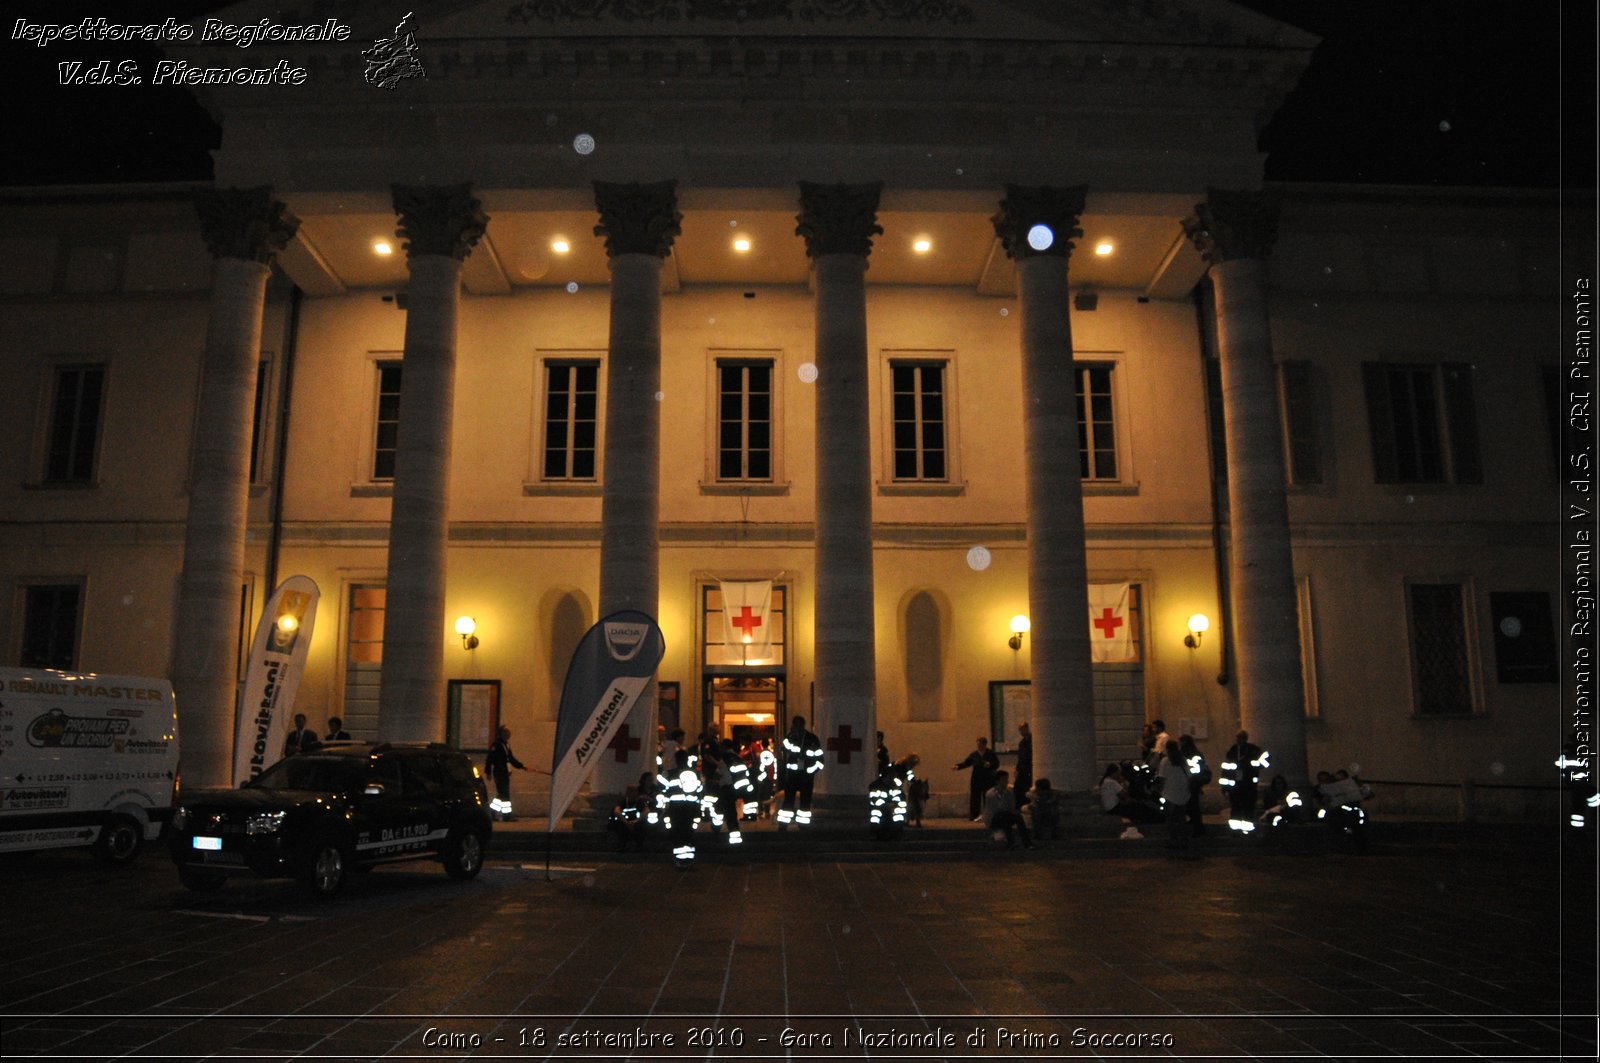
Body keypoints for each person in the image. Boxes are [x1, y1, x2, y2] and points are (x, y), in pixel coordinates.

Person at [657, 749, 703, 868]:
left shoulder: (670, 773)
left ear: (676, 760)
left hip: (676, 808)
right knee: (689, 832)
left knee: (677, 832)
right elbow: (700, 790)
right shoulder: (695, 774)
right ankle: (689, 858)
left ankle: (680, 859)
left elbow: (662, 787)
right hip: (692, 808)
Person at [777, 715, 823, 829]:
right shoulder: (790, 738)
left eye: (799, 725)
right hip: (792, 776)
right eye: (795, 725)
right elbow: (784, 747)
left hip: (806, 776)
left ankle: (803, 826)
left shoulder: (812, 739)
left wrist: (810, 771)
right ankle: (783, 825)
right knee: (788, 801)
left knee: (805, 802)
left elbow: (820, 761)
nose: (797, 727)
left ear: (803, 725)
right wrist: (791, 736)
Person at [1219, 729, 1269, 833]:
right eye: (1238, 737)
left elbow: (1265, 761)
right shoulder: (1233, 750)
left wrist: (1250, 766)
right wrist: (1224, 786)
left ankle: (1248, 828)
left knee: (1248, 806)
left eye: (1241, 737)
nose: (1239, 739)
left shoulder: (1253, 750)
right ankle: (1235, 829)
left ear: (1246, 738)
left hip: (1248, 784)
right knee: (1236, 806)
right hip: (1235, 784)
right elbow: (1226, 769)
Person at [1157, 739, 1193, 853]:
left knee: (1171, 820)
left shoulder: (1165, 761)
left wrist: (1159, 790)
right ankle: (1184, 840)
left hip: (1170, 794)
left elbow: (1162, 778)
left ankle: (1173, 841)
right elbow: (1189, 776)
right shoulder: (1183, 761)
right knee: (1181, 819)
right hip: (1183, 793)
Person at [485, 725, 527, 821]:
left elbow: (510, 758)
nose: (509, 734)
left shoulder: (506, 745)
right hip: (499, 772)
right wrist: (488, 772)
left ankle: (492, 812)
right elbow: (490, 759)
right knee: (505, 794)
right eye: (506, 733)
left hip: (505, 772)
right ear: (501, 734)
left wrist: (521, 766)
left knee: (501, 794)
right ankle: (507, 815)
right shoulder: (496, 745)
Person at [953, 736, 999, 822]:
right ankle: (974, 815)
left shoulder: (990, 754)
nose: (979, 747)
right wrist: (958, 766)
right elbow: (967, 763)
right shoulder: (974, 755)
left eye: (980, 745)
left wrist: (990, 765)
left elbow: (996, 764)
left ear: (984, 745)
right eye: (978, 745)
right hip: (976, 778)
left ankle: (988, 815)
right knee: (975, 797)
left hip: (988, 778)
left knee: (987, 797)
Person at [983, 770, 1032, 850]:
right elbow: (995, 810)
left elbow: (1011, 807)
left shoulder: (1009, 793)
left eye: (1007, 779)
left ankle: (1027, 842)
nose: (1006, 781)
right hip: (994, 818)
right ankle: (1011, 841)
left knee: (1017, 817)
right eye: (1004, 779)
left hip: (1005, 816)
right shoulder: (991, 794)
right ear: (998, 781)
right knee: (1004, 817)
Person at [1179, 734, 1210, 836]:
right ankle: (1196, 825)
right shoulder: (1197, 753)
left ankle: (1197, 828)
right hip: (1195, 783)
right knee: (1194, 806)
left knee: (1190, 806)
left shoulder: (1183, 755)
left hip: (1189, 782)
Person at [898, 754, 926, 828]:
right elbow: (910, 777)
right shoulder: (904, 767)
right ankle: (900, 821)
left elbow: (911, 777)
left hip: (896, 785)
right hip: (894, 785)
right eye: (914, 764)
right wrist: (916, 782)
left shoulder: (903, 766)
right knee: (901, 801)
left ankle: (904, 821)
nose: (914, 766)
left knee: (903, 800)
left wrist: (915, 781)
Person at [1013, 721, 1033, 808]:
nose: (1021, 732)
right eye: (1019, 730)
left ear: (1026, 728)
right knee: (1017, 790)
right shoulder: (1022, 743)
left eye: (1022, 730)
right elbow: (1020, 757)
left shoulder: (1032, 741)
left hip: (1029, 769)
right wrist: (1017, 769)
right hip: (1022, 769)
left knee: (1026, 790)